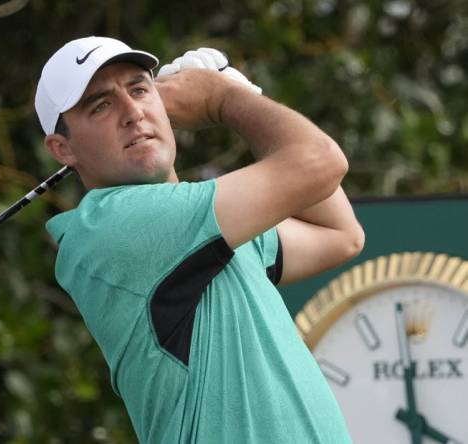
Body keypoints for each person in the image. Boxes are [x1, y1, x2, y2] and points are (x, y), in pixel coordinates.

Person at [35, 36, 364, 443]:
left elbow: (340, 235)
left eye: (140, 89)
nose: (132, 112)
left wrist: (240, 94)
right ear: (62, 148)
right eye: (101, 105)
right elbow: (321, 163)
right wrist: (225, 99)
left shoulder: (210, 227)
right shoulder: (112, 226)